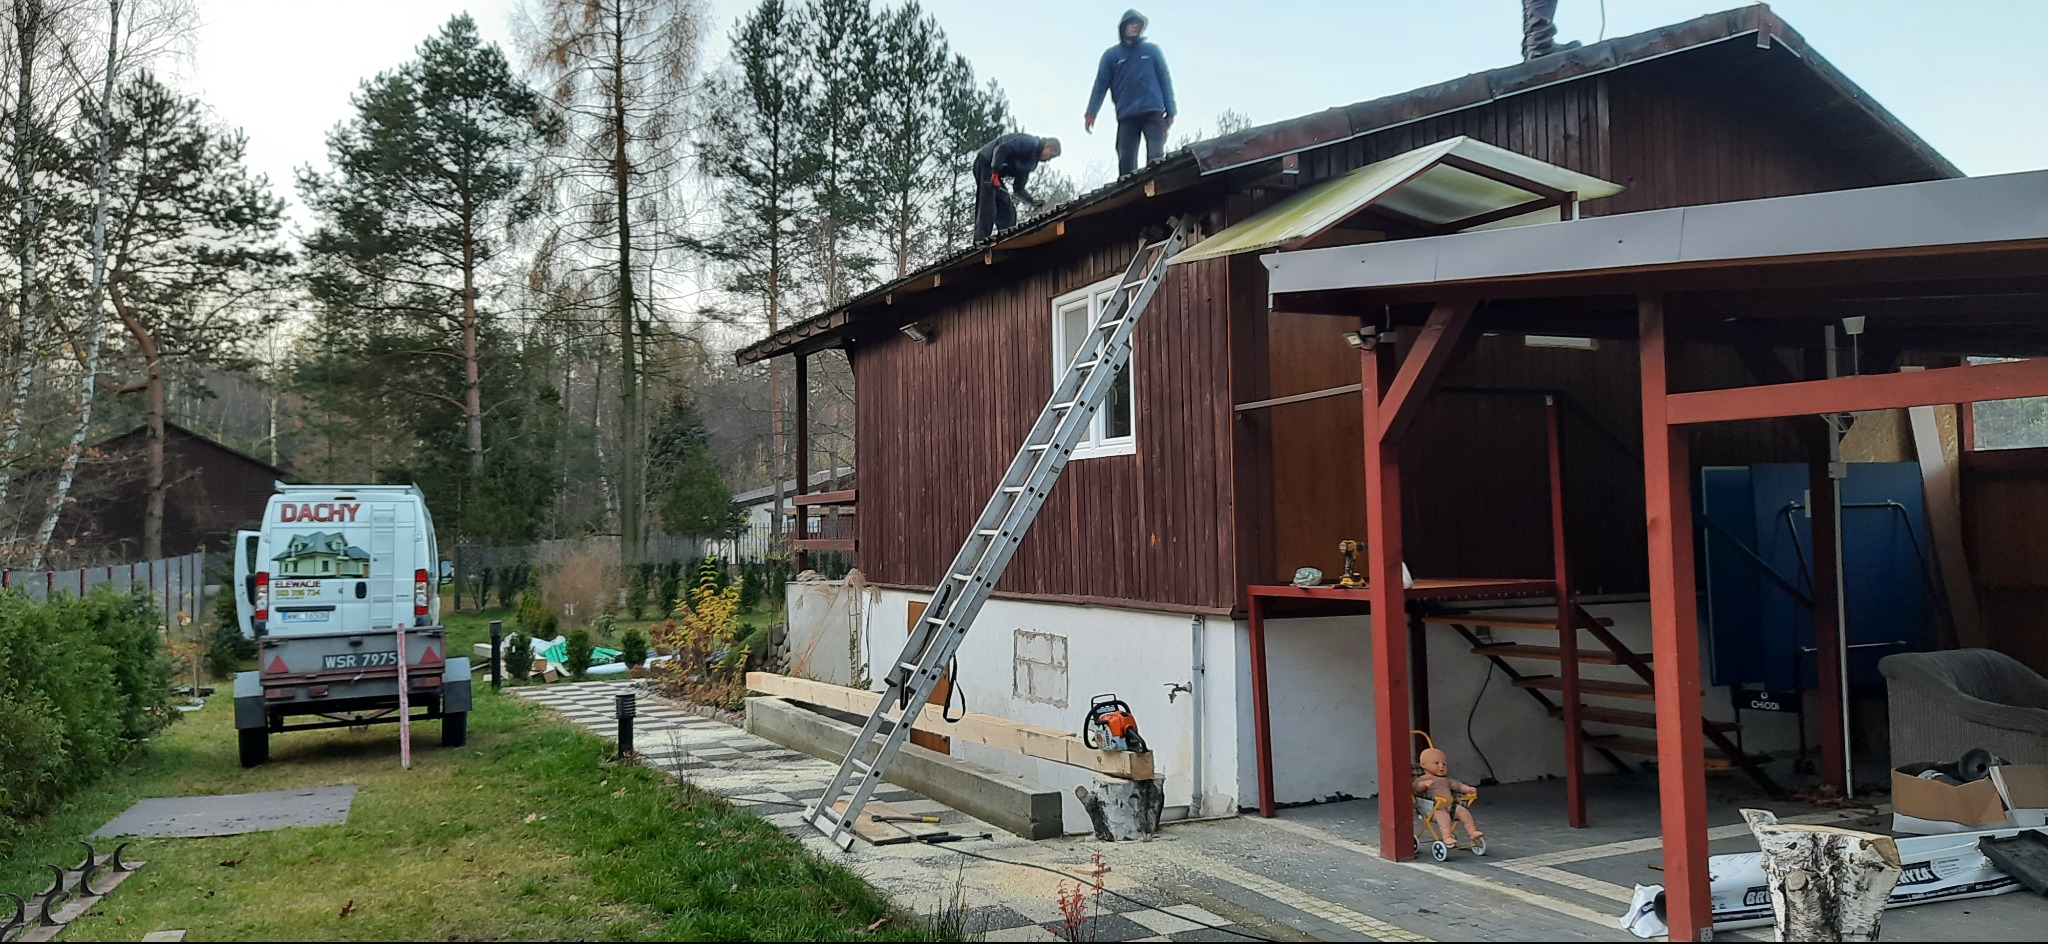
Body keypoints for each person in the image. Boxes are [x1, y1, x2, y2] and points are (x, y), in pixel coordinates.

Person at [1085, 9, 1176, 178]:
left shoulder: (1152, 51)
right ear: (1123, 27)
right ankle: (1129, 198)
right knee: (1126, 161)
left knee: (1156, 156)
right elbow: (1100, 85)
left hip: (1153, 112)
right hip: (1127, 115)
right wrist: (1091, 112)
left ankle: (1156, 191)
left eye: (1139, 24)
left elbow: (1165, 80)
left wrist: (1171, 111)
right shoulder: (1111, 56)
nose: (1136, 26)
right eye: (1132, 23)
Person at [973, 132, 1060, 242]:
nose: (1049, 160)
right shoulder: (1030, 143)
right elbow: (1001, 149)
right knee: (987, 206)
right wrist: (995, 174)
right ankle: (980, 243)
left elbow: (1019, 189)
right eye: (1051, 155)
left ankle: (1007, 241)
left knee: (1008, 212)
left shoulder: (1031, 163)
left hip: (995, 174)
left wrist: (1032, 202)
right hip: (985, 162)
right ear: (1047, 145)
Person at [1414, 746, 1483, 846]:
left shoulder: (1445, 780)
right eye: (1436, 763)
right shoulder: (1423, 778)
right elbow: (1415, 788)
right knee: (1444, 818)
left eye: (1444, 764)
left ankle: (1472, 832)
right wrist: (1423, 785)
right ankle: (1447, 836)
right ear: (1423, 765)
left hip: (1450, 805)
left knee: (1464, 812)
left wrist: (1467, 789)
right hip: (1435, 808)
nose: (1441, 766)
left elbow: (1458, 785)